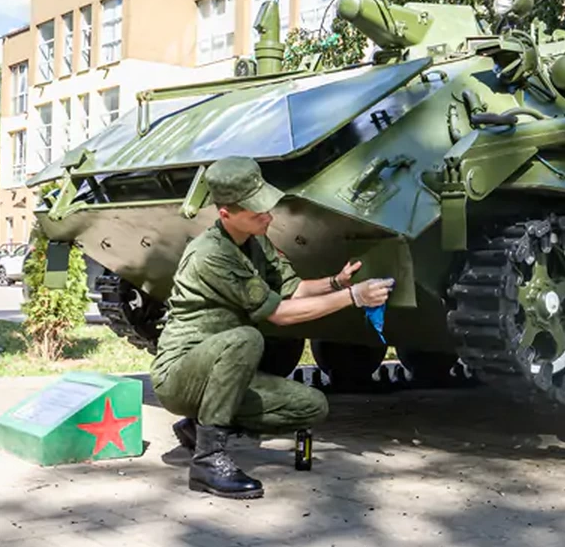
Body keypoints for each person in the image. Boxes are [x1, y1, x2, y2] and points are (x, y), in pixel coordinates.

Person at [151, 157, 393, 500]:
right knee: (246, 338)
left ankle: (197, 427)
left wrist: (338, 283)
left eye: (265, 207)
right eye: (256, 212)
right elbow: (279, 313)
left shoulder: (254, 238)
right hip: (180, 373)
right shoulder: (211, 255)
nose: (268, 216)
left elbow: (292, 289)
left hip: (223, 371)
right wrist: (354, 298)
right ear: (225, 214)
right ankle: (208, 460)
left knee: (311, 406)